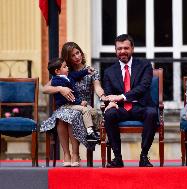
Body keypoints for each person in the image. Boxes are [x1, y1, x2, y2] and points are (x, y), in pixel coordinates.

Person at [41, 42, 107, 167]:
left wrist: (103, 97)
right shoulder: (64, 73)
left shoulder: (91, 71)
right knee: (62, 116)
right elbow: (45, 89)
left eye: (78, 53)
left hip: (83, 107)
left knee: (72, 115)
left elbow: (98, 88)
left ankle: (75, 154)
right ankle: (66, 154)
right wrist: (60, 88)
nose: (77, 57)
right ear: (67, 58)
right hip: (65, 107)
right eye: (73, 55)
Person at [103, 34, 158, 168]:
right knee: (109, 114)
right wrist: (111, 102)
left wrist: (121, 97)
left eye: (126, 48)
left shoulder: (145, 66)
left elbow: (143, 87)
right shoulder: (109, 71)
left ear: (132, 48)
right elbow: (109, 93)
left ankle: (144, 156)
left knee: (152, 113)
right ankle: (117, 158)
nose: (122, 51)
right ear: (115, 50)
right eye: (119, 48)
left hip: (140, 105)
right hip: (120, 109)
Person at [48, 58, 100, 142]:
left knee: (93, 111)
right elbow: (68, 98)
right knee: (86, 110)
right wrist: (80, 102)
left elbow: (77, 74)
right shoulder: (57, 81)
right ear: (57, 71)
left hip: (72, 104)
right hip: (66, 105)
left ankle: (95, 131)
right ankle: (90, 134)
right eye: (64, 67)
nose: (67, 68)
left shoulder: (68, 76)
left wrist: (87, 71)